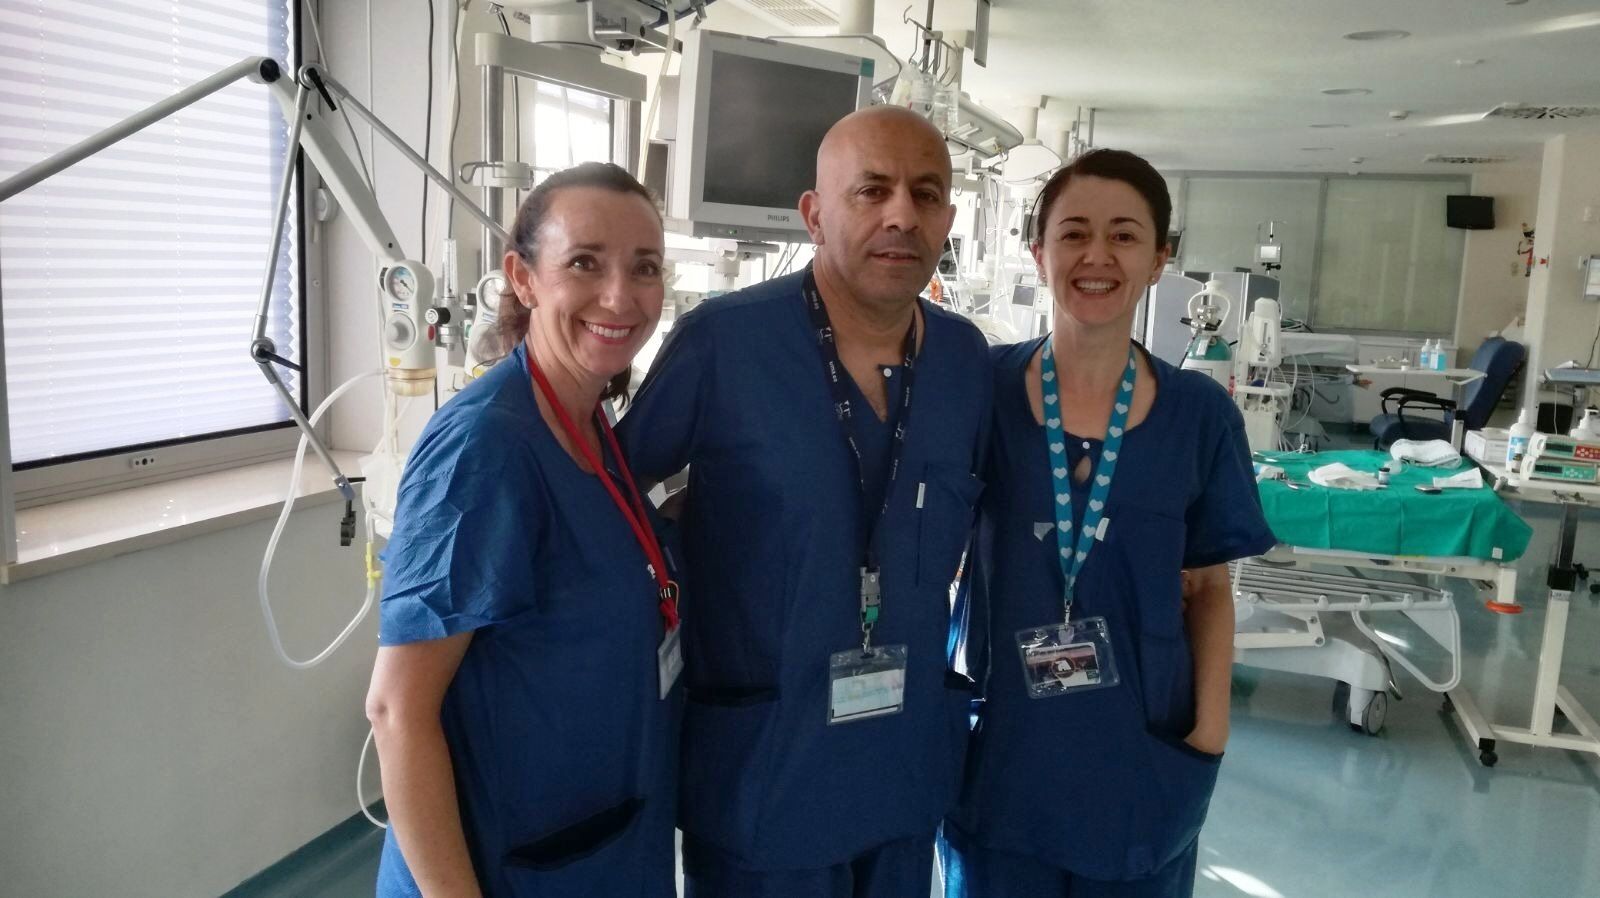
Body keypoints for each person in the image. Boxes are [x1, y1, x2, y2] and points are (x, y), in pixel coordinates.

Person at [616, 105, 992, 898]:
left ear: (948, 218)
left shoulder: (963, 360)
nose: (901, 214)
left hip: (900, 763)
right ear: (815, 215)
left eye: (926, 194)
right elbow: (612, 492)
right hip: (765, 764)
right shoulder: (725, 343)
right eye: (871, 191)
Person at [941, 149, 1276, 898]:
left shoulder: (1198, 416)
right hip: (1003, 746)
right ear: (1039, 251)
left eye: (1125, 235)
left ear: (1161, 258)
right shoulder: (980, 391)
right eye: (1074, 234)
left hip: (1143, 747)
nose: (1097, 256)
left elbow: (1208, 588)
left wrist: (1209, 736)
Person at [365, 162, 682, 898]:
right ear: (524, 277)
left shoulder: (590, 423)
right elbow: (395, 710)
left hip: (595, 844)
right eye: (584, 263)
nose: (620, 295)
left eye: (644, 268)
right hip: (499, 867)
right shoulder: (486, 451)